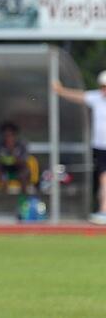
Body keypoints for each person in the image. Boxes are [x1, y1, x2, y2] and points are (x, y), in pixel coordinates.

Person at [54, 72, 106, 224]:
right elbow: (78, 96)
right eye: (102, 86)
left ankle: (103, 210)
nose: (104, 90)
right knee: (102, 180)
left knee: (104, 180)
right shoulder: (96, 98)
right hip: (99, 147)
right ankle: (103, 209)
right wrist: (60, 90)